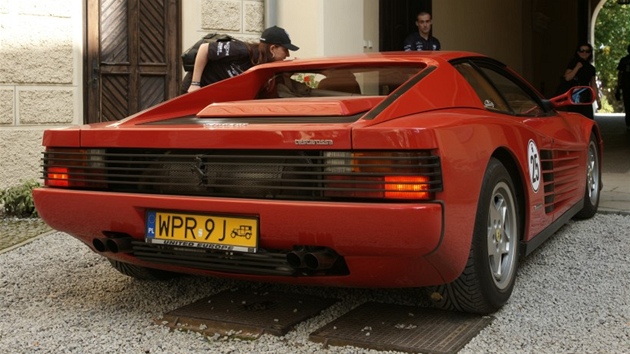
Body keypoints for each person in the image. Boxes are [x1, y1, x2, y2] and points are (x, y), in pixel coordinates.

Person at [183, 26, 299, 93]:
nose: (287, 54)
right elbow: (204, 49)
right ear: (273, 48)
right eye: (285, 49)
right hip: (194, 90)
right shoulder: (242, 50)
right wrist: (195, 84)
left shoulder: (264, 63)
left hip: (213, 94)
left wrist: (292, 70)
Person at [562, 43, 600, 119]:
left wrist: (597, 99)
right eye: (582, 51)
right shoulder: (573, 63)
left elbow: (593, 84)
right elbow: (567, 78)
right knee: (574, 118)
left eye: (587, 51)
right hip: (572, 95)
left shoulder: (591, 68)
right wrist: (577, 67)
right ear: (578, 52)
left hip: (585, 96)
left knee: (587, 118)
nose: (584, 53)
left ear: (590, 53)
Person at [615, 45, 630, 130]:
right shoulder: (624, 61)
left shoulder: (624, 60)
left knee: (627, 104)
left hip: (626, 85)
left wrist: (618, 86)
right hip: (626, 85)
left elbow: (620, 74)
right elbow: (620, 74)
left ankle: (628, 123)